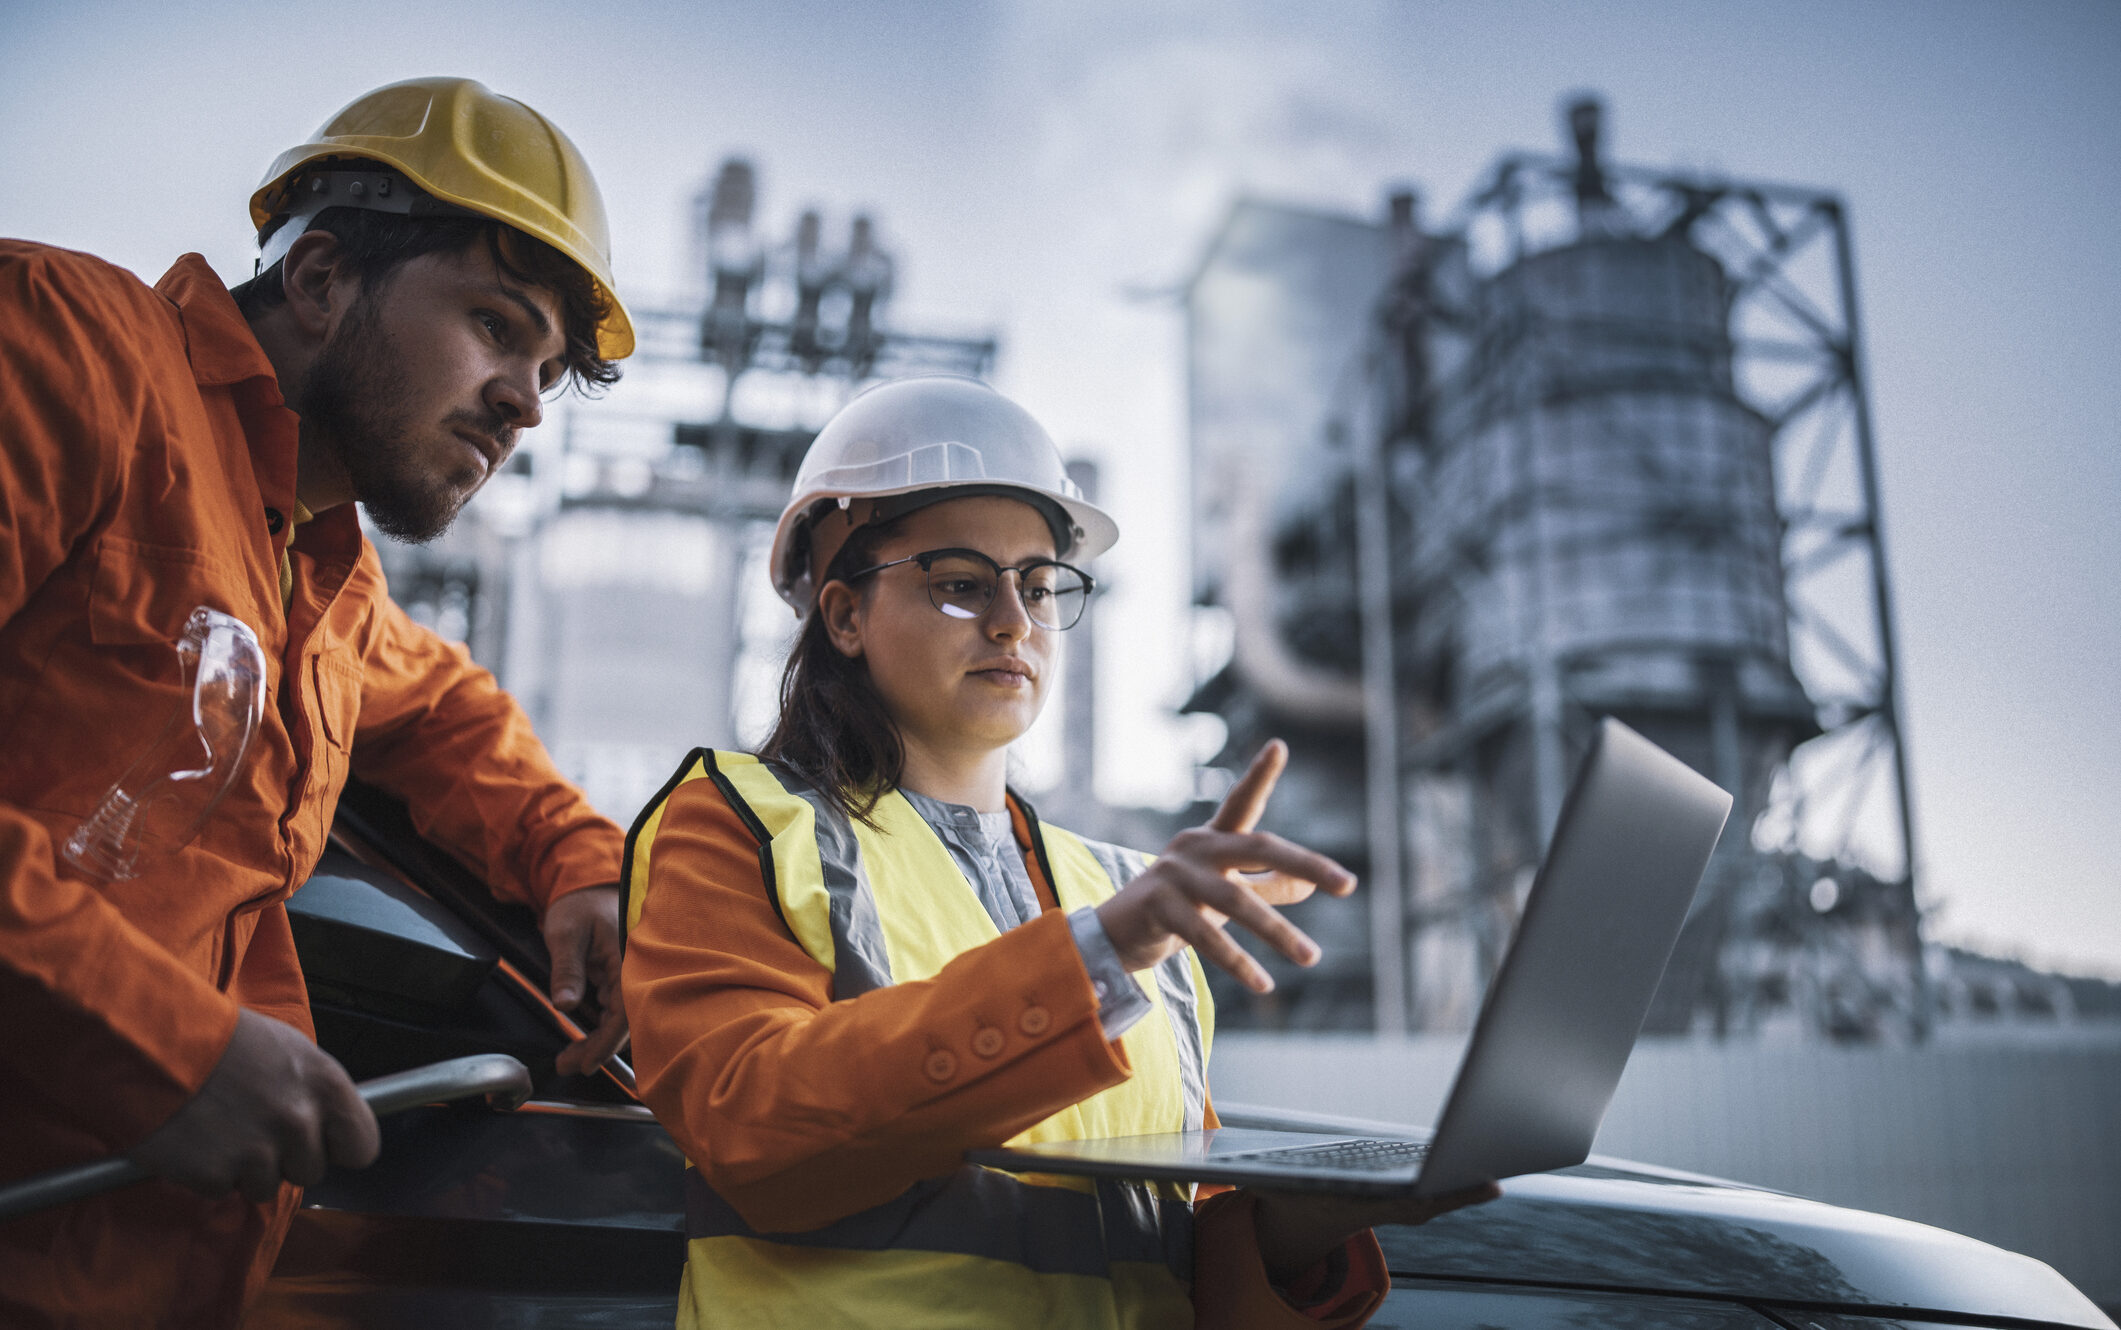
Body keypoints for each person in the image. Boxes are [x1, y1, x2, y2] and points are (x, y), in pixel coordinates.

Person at [623, 376, 1498, 1329]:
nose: (1014, 622)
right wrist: (1098, 955)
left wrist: (1306, 1226)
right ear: (843, 617)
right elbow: (753, 1128)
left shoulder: (1129, 898)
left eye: (1040, 587)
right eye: (960, 583)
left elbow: (1165, 1249)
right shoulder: (739, 824)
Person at [0, 77, 635, 1326]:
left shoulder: (323, 572)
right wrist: (164, 1050)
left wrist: (580, 861)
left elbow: (448, 709)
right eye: (495, 326)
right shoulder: (63, 347)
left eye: (549, 367)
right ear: (321, 277)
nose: (525, 403)